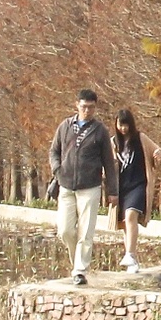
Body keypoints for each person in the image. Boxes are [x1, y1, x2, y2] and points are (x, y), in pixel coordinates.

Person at [49, 88, 115, 286]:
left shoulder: (100, 131)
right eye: (84, 106)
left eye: (91, 107)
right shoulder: (65, 126)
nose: (87, 110)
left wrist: (113, 191)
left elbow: (108, 162)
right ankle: (75, 262)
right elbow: (54, 151)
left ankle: (79, 270)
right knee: (65, 230)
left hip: (90, 186)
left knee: (86, 231)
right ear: (77, 105)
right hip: (66, 184)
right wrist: (57, 170)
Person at [111, 106, 161, 273]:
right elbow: (106, 164)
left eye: (126, 125)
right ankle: (132, 258)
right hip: (122, 187)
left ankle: (129, 254)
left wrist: (159, 154)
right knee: (124, 224)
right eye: (120, 125)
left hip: (138, 184)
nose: (123, 128)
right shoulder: (113, 143)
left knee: (131, 216)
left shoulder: (140, 138)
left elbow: (158, 151)